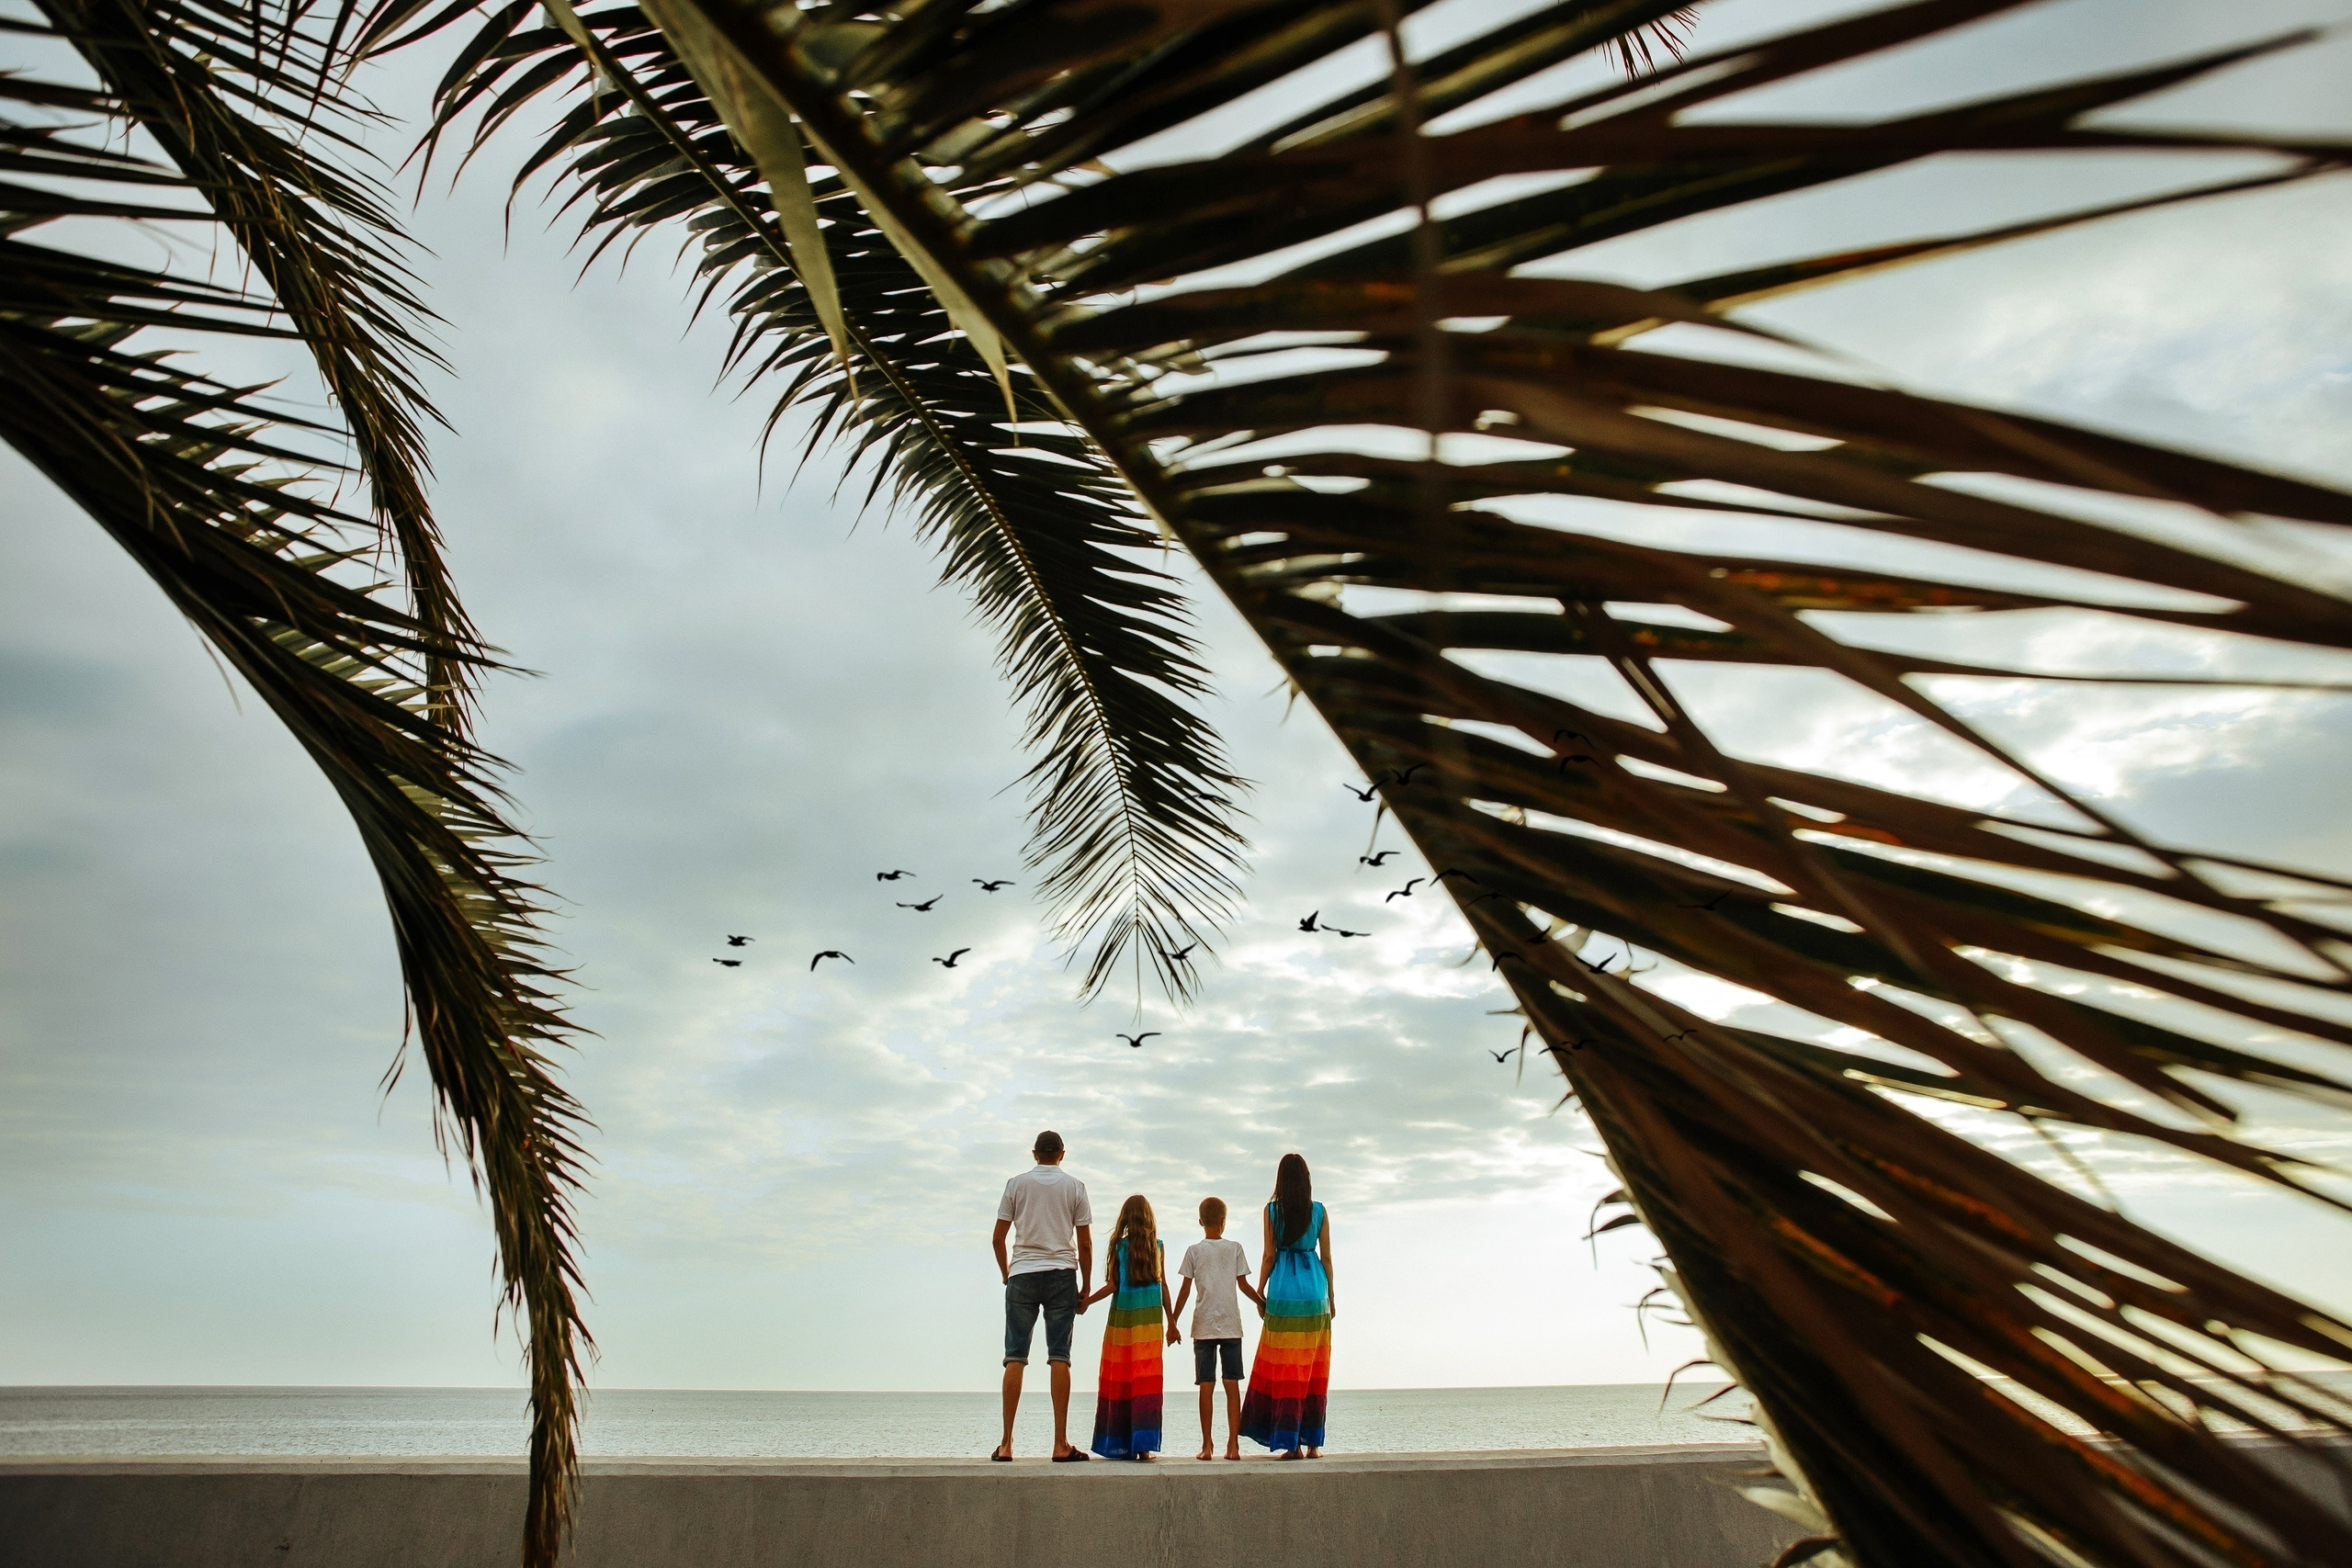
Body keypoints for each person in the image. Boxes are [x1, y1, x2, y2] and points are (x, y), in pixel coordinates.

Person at [991, 1130, 1092, 1461]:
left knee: (1015, 1355)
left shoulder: (1016, 1185)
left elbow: (998, 1238)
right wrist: (1086, 1286)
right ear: (1062, 1154)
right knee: (1059, 1355)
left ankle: (1006, 1443)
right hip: (1062, 1273)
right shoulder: (1075, 1187)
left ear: (1034, 1153)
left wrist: (1008, 1273)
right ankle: (1060, 1443)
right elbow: (1086, 1243)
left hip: (1022, 1273)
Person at [1238, 1152, 1334, 1459]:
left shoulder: (1272, 1211)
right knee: (1314, 1368)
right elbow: (1328, 1257)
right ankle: (1313, 1446)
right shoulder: (1319, 1211)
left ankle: (1290, 1443)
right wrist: (1331, 1296)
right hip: (1315, 1290)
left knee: (1286, 1368)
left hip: (1284, 1289)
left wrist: (1260, 1289)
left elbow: (1269, 1254)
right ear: (1307, 1179)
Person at [1166, 1195, 1263, 1461]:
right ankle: (1233, 1446)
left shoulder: (1193, 1251)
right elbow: (1243, 1285)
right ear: (1223, 1221)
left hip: (1203, 1327)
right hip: (1231, 1325)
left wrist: (1172, 1322)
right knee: (1232, 1385)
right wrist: (1262, 1302)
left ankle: (1207, 1445)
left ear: (1200, 1221)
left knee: (1206, 1385)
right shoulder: (1235, 1248)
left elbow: (1185, 1290)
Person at [1083, 1193, 1168, 1460]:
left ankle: (1121, 1444)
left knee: (1121, 1381)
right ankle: (1143, 1447)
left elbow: (1112, 1286)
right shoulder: (1158, 1246)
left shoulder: (1118, 1247)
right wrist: (1173, 1323)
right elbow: (1163, 1285)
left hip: (1123, 1325)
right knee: (1146, 1384)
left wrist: (1086, 1302)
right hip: (1151, 1326)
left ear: (1125, 1219)